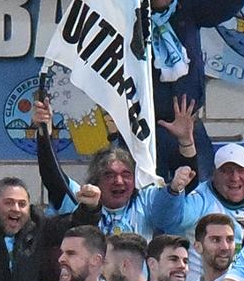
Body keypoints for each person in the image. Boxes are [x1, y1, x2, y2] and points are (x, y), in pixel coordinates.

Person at [147, 0, 244, 181]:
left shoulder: (188, 2)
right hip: (146, 128)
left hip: (189, 125)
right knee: (146, 191)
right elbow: (99, 11)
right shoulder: (131, 10)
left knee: (199, 188)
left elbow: (219, 8)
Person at [34, 98, 179, 240]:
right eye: (109, 175)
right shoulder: (82, 199)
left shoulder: (145, 201)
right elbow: (52, 176)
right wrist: (44, 133)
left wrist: (185, 147)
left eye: (126, 174)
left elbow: (174, 198)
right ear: (96, 180)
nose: (119, 181)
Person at [160, 142, 244, 281]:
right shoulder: (199, 198)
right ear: (214, 173)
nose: (235, 178)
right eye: (226, 171)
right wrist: (173, 190)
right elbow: (170, 220)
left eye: (241, 170)